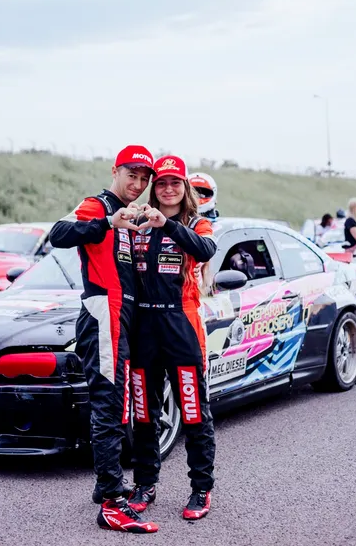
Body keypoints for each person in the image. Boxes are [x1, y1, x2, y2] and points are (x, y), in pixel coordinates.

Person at [49, 145, 159, 534]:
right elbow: (58, 234)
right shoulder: (99, 206)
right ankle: (112, 504)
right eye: (132, 175)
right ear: (115, 171)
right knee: (109, 407)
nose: (138, 184)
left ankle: (106, 485)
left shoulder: (130, 213)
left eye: (144, 179)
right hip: (102, 314)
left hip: (120, 318)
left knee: (116, 404)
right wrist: (107, 222)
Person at [128, 155, 217, 521]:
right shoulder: (137, 222)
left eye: (174, 182)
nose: (167, 189)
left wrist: (166, 224)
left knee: (193, 412)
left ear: (185, 187)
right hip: (143, 328)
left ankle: (201, 489)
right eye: (161, 183)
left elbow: (206, 250)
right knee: (143, 413)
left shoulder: (198, 223)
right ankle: (144, 484)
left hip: (181, 326)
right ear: (154, 188)